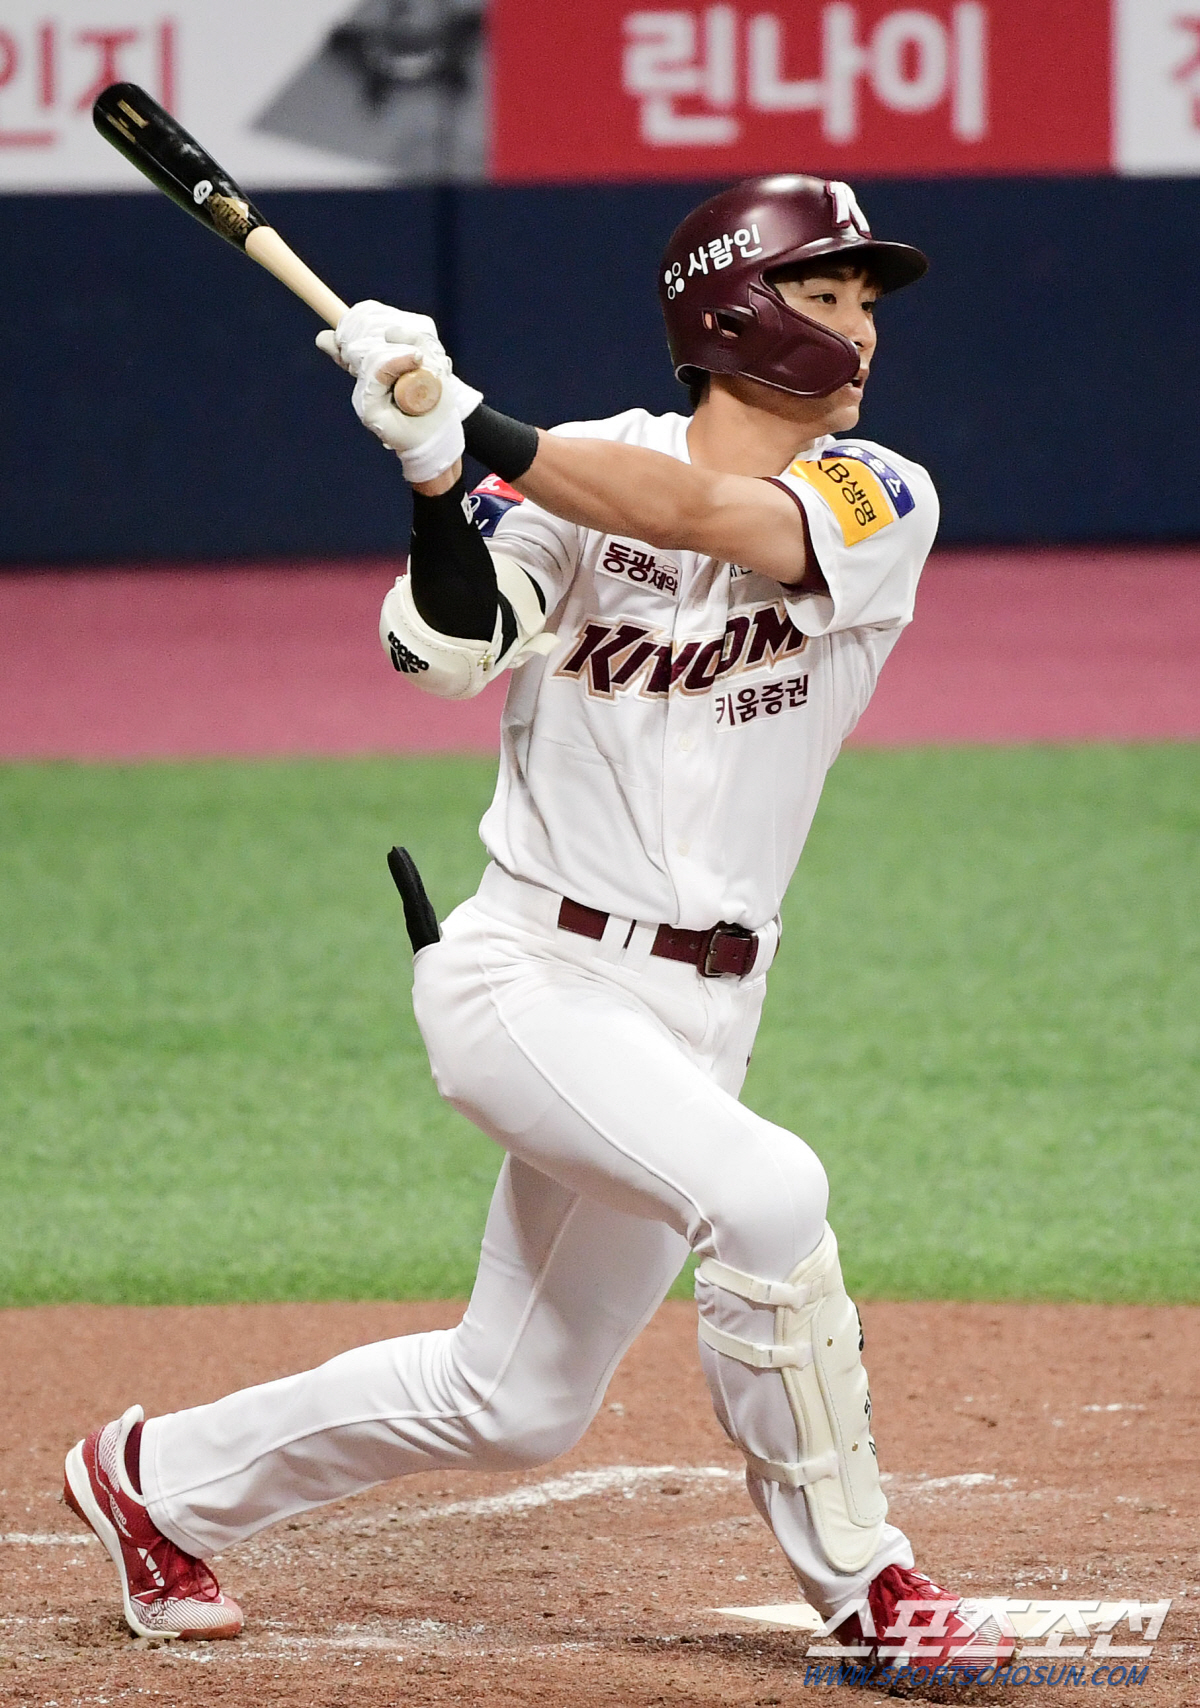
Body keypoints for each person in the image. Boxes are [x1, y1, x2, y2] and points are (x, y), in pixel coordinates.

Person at [63, 174, 1014, 1678]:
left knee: (514, 1399)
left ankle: (153, 1479)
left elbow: (703, 515)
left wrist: (477, 427)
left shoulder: (879, 495)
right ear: (737, 312)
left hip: (706, 1014)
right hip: (529, 979)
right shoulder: (570, 475)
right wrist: (433, 473)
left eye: (867, 301)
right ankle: (873, 1589)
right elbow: (445, 651)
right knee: (769, 1194)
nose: (864, 329)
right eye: (831, 294)